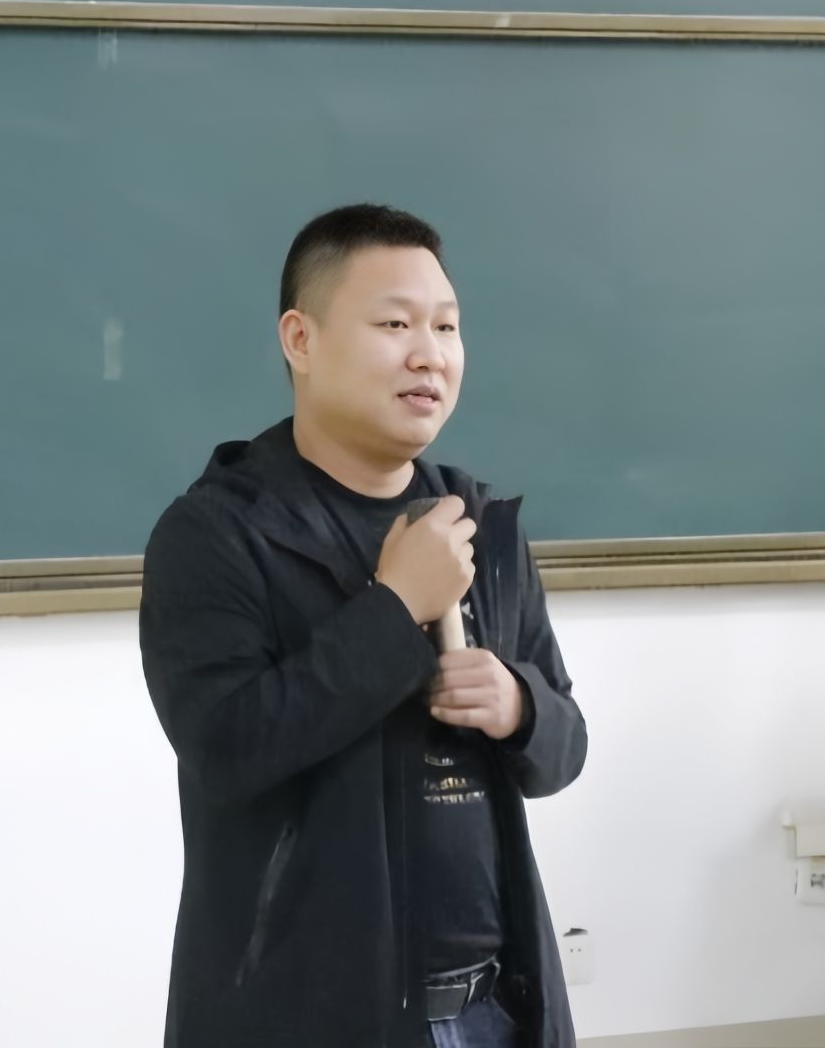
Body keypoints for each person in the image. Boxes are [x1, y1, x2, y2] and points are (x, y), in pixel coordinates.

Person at [139, 204, 587, 1048]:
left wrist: (520, 705)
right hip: (312, 1017)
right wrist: (394, 607)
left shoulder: (478, 522)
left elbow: (564, 745)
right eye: (394, 324)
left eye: (447, 327)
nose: (430, 354)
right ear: (300, 340)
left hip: (493, 1007)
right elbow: (229, 749)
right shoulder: (219, 533)